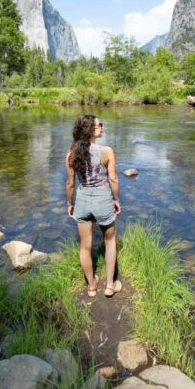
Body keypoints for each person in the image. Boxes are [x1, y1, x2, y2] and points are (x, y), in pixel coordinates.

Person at [65, 114, 122, 297]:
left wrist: (69, 203)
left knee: (85, 246)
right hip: (103, 200)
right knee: (110, 240)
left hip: (82, 201)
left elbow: (70, 184)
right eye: (99, 125)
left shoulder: (72, 154)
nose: (102, 127)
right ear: (89, 129)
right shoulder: (107, 151)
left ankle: (91, 286)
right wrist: (116, 200)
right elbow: (113, 178)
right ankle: (110, 285)